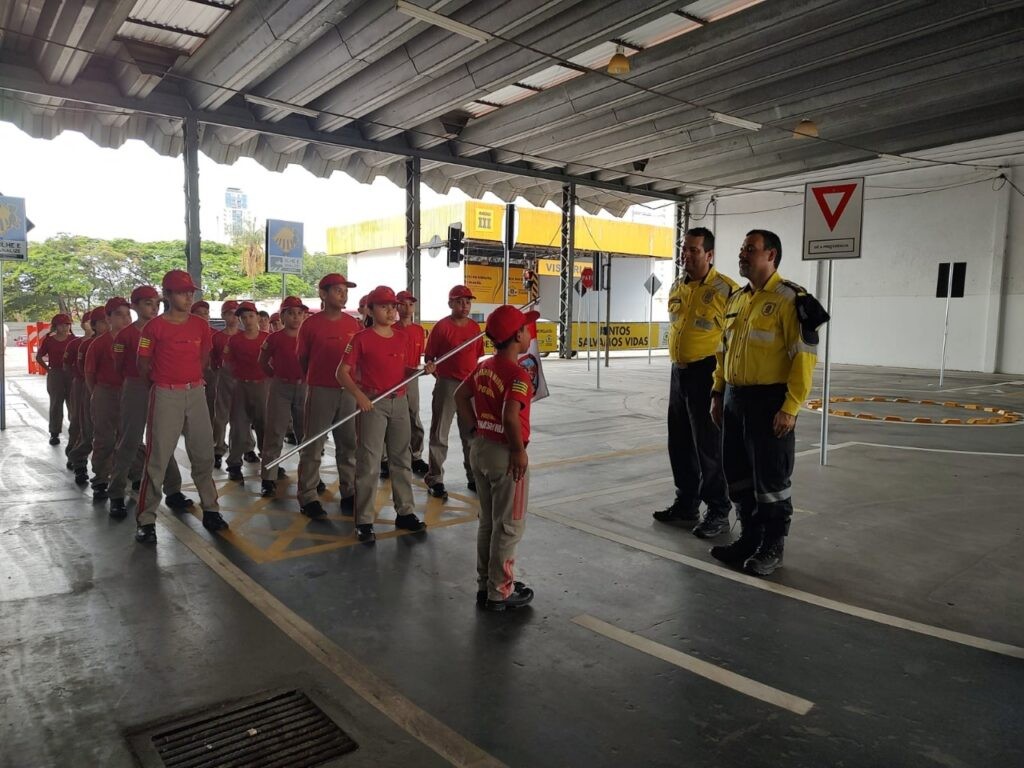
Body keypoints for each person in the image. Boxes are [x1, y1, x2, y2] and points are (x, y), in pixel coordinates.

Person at [710, 230, 818, 576]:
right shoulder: (737, 299)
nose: (742, 254)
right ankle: (749, 537)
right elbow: (722, 352)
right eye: (742, 248)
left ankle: (773, 545)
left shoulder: (793, 300)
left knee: (771, 480)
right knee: (737, 475)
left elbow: (804, 358)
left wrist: (791, 407)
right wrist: (717, 393)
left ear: (771, 255)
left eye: (750, 249)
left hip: (770, 402)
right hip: (733, 399)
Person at [655, 227, 738, 538]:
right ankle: (686, 503)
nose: (686, 255)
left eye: (694, 250)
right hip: (679, 373)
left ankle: (718, 510)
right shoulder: (678, 286)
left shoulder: (726, 291)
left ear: (709, 254)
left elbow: (732, 341)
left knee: (709, 446)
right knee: (678, 441)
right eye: (684, 249)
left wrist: (721, 386)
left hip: (707, 373)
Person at [134, 270, 227, 544]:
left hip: (195, 392)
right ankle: (146, 520)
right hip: (165, 394)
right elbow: (143, 365)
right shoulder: (153, 328)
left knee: (203, 454)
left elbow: (204, 358)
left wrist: (190, 381)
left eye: (191, 292)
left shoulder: (200, 326)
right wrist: (165, 381)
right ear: (168, 295)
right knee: (158, 458)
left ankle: (211, 509)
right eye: (182, 292)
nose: (189, 297)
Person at [454, 304, 536, 612]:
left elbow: (459, 396)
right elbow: (510, 416)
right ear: (517, 336)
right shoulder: (518, 374)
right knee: (509, 525)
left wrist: (475, 429)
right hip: (506, 455)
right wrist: (518, 450)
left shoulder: (484, 366)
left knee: (488, 522)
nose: (530, 334)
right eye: (527, 329)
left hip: (482, 448)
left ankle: (485, 584)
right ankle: (501, 591)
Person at [337, 285, 432, 543]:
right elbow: (341, 373)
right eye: (384, 306)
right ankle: (364, 520)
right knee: (368, 462)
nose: (391, 311)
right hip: (373, 404)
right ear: (371, 310)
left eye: (393, 306)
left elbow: (401, 370)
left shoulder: (401, 337)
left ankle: (405, 512)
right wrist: (360, 397)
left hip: (399, 403)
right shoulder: (361, 339)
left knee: (401, 460)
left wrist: (420, 370)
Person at [107, 285, 193, 520]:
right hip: (136, 387)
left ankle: (173, 490)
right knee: (129, 440)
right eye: (147, 303)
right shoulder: (124, 335)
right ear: (134, 306)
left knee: (163, 441)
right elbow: (118, 365)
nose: (154, 307)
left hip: (161, 385)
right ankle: (115, 493)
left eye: (156, 303)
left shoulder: (164, 328)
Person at [296, 273, 362, 519]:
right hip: (320, 390)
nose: (343, 294)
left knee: (348, 445)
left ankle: (349, 491)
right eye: (338, 290)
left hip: (347, 392)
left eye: (346, 290)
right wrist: (314, 380)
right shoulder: (310, 325)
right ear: (323, 294)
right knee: (313, 445)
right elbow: (302, 358)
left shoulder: (352, 324)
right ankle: (308, 496)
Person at [423, 285, 484, 500]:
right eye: (459, 301)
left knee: (471, 435)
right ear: (450, 304)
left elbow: (476, 356)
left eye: (468, 302)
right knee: (440, 433)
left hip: (469, 386)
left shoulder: (475, 328)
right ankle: (435, 478)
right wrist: (441, 378)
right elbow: (430, 358)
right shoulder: (441, 327)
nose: (465, 305)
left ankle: (473, 477)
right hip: (447, 384)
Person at [84, 297, 132, 502]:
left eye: (127, 314)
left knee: (129, 437)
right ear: (108, 318)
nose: (125, 319)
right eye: (119, 315)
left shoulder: (135, 340)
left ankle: (129, 474)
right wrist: (97, 393)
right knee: (105, 438)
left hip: (129, 392)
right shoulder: (99, 344)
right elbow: (89, 373)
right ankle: (101, 478)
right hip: (105, 392)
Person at [258, 296, 308, 497]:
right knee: (275, 432)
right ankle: (268, 478)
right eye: (291, 313)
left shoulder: (307, 337)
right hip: (281, 387)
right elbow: (262, 361)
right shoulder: (274, 338)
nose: (296, 318)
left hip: (304, 387)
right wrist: (275, 377)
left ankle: (309, 477)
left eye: (299, 314)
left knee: (305, 434)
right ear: (282, 316)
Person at [223, 301, 269, 481]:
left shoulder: (266, 338)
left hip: (262, 386)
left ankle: (269, 462)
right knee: (238, 426)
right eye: (244, 318)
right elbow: (228, 361)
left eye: (251, 316)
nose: (248, 320)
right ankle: (234, 464)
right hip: (241, 386)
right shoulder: (234, 340)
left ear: (258, 317)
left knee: (265, 425)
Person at [211, 300, 255, 468]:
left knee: (243, 417)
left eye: (236, 314)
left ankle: (248, 448)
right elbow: (214, 360)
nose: (234, 318)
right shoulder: (217, 337)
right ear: (223, 316)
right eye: (229, 313)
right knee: (221, 415)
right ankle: (218, 448)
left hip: (242, 380)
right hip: (224, 378)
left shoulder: (244, 336)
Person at [68, 309, 107, 487]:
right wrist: (94, 394)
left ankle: (125, 472)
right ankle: (79, 461)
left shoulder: (120, 340)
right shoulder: (87, 345)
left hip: (114, 392)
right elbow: (86, 372)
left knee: (115, 435)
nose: (108, 325)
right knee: (89, 431)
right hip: (91, 389)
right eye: (103, 322)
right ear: (94, 325)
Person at [396, 290, 429, 476]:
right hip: (393, 379)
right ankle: (388, 458)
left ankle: (416, 456)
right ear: (397, 307)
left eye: (411, 304)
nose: (408, 308)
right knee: (393, 419)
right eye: (403, 304)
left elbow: (420, 356)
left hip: (411, 380)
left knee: (413, 416)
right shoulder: (392, 329)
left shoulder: (418, 330)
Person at [36, 313, 74, 446]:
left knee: (73, 404)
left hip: (71, 374)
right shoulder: (49, 340)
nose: (65, 327)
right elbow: (39, 357)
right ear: (55, 326)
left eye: (67, 324)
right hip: (56, 374)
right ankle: (54, 433)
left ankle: (75, 432)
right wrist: (48, 370)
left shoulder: (73, 340)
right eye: (62, 325)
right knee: (56, 404)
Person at [64, 312, 93, 477]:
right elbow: (67, 365)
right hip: (81, 383)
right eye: (88, 321)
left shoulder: (113, 340)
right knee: (78, 420)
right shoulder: (77, 344)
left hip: (103, 387)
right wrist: (77, 381)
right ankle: (74, 453)